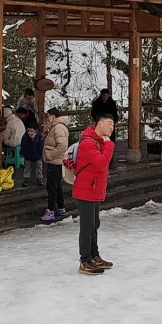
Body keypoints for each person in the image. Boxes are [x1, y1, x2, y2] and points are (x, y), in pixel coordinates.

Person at [73, 113, 115, 275]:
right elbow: (102, 162)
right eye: (109, 123)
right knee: (87, 226)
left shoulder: (99, 142)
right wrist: (109, 145)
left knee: (94, 224)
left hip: (93, 190)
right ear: (99, 124)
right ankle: (84, 260)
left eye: (113, 125)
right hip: (85, 191)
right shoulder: (88, 143)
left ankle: (94, 256)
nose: (111, 128)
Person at [41, 109, 70, 222]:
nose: (47, 118)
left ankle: (51, 210)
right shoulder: (56, 127)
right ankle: (60, 208)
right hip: (56, 161)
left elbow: (62, 146)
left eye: (48, 116)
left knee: (51, 187)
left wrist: (50, 155)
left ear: (52, 116)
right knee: (57, 186)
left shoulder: (58, 128)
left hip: (55, 161)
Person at [20, 120, 45, 188]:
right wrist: (24, 154)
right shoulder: (25, 137)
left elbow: (41, 146)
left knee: (39, 167)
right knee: (27, 167)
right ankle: (26, 179)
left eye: (31, 131)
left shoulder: (39, 137)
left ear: (36, 131)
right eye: (28, 131)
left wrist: (39, 154)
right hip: (28, 155)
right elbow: (23, 146)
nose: (29, 133)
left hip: (38, 155)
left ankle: (39, 178)